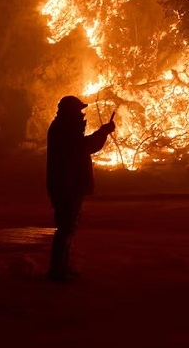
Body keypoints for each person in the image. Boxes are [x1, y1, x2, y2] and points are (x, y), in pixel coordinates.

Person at [45, 95, 116, 282]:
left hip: (68, 185)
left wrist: (102, 132)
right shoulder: (64, 130)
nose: (81, 113)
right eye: (78, 109)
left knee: (68, 228)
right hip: (67, 186)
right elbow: (84, 147)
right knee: (65, 228)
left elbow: (83, 147)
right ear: (70, 111)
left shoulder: (64, 128)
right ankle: (57, 271)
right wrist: (103, 132)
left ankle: (62, 268)